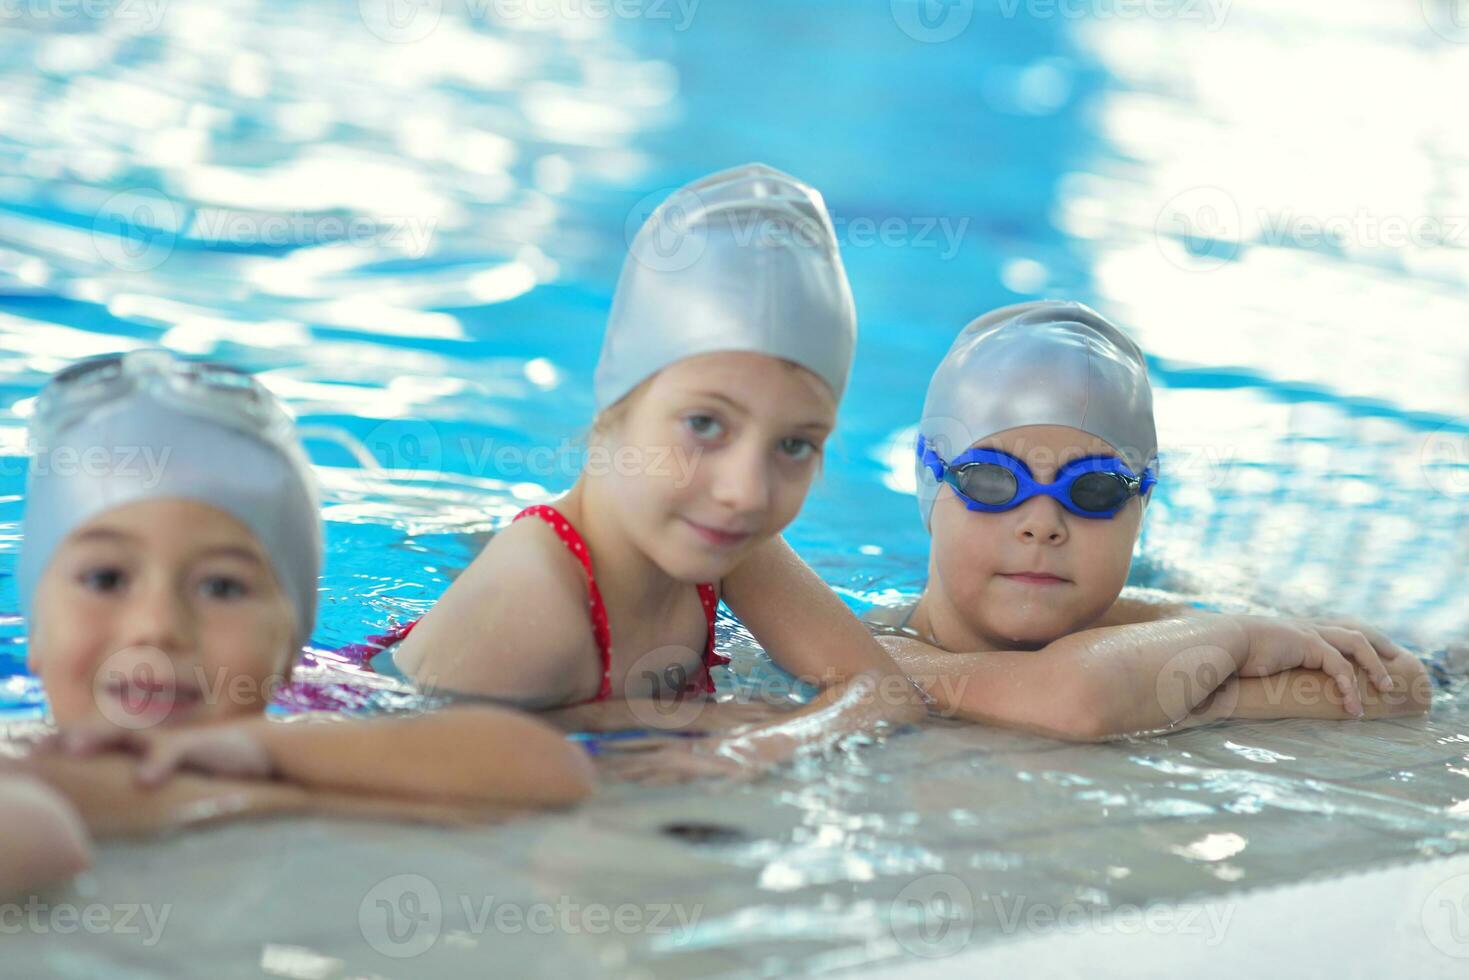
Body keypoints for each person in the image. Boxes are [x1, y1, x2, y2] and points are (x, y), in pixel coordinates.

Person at [393, 164, 925, 780]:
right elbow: (432, 778)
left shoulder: (724, 539)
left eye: (795, 445)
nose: (746, 491)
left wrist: (749, 748)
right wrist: (620, 722)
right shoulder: (535, 596)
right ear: (616, 405)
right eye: (704, 425)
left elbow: (881, 692)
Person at [20, 350, 593, 812]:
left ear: (291, 640)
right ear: (35, 628)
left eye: (221, 587)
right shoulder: (18, 761)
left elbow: (549, 768)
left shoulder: (320, 735)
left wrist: (264, 749)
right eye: (105, 578)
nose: (158, 625)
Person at [871, 301, 1430, 739]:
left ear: (1144, 501)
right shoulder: (866, 648)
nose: (1042, 523)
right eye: (993, 481)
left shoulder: (1152, 621)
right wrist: (1235, 643)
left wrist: (1157, 695)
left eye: (1093, 489)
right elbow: (1076, 701)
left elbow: (1401, 682)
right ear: (930, 477)